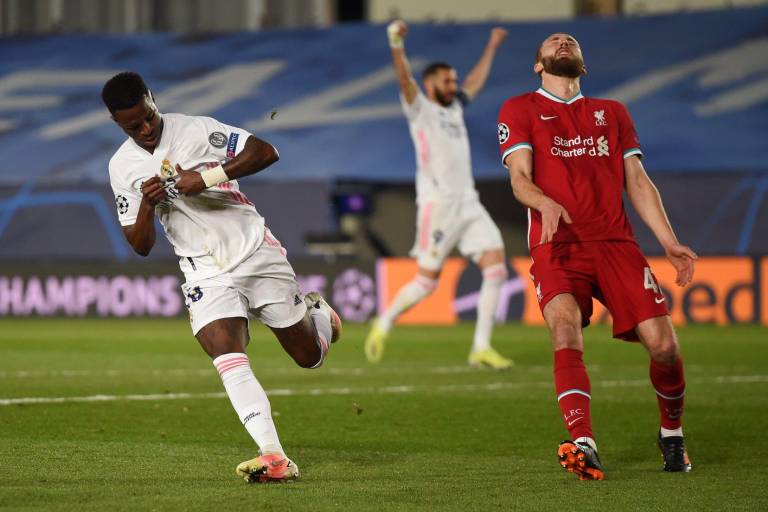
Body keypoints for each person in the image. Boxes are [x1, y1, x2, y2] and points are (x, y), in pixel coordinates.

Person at [102, 71, 342, 484]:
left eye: (148, 118)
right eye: (132, 127)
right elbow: (139, 244)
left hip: (254, 251)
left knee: (308, 357)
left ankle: (319, 315)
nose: (144, 130)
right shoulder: (121, 167)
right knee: (224, 351)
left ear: (152, 99)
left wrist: (206, 178)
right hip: (204, 271)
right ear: (116, 123)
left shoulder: (197, 130)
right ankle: (274, 457)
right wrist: (147, 204)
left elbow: (265, 151)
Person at [498, 33, 697, 480]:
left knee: (665, 347)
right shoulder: (519, 109)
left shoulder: (613, 112)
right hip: (556, 244)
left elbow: (638, 181)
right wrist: (545, 203)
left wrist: (669, 242)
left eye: (570, 40)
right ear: (538, 65)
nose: (562, 41)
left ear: (583, 64)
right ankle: (583, 442)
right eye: (553, 41)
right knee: (565, 330)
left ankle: (672, 434)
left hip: (615, 244)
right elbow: (519, 179)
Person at [364, 20, 513, 369]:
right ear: (430, 84)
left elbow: (474, 82)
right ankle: (384, 321)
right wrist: (396, 43)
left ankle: (480, 348)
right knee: (426, 283)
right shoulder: (420, 109)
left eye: (453, 81)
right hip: (439, 206)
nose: (454, 86)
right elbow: (404, 80)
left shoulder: (455, 108)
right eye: (447, 81)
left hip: (469, 202)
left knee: (496, 269)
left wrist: (492, 46)